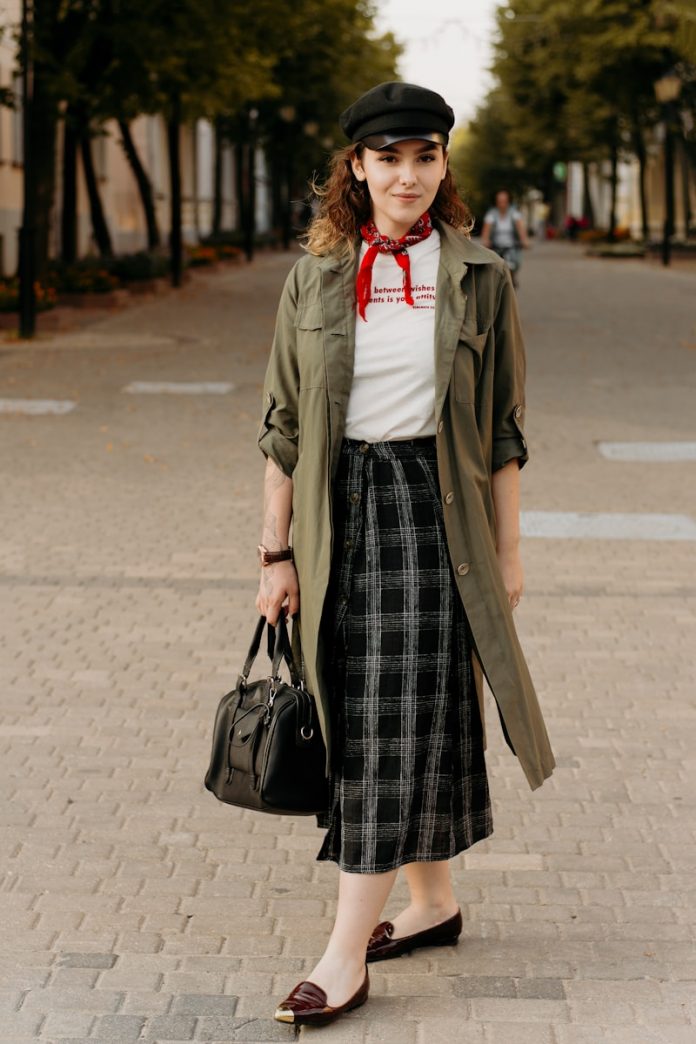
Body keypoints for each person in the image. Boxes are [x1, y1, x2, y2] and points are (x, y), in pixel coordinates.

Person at [255, 81, 555, 1028]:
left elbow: (504, 428)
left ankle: (344, 955)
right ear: (357, 167)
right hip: (338, 519)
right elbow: (284, 426)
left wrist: (509, 553)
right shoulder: (314, 278)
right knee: (382, 707)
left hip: (436, 519)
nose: (408, 176)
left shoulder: (481, 276)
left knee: (387, 723)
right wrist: (275, 553)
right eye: (389, 158)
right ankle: (432, 902)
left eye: (425, 157)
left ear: (443, 166)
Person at [481, 189, 529, 288]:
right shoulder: (491, 214)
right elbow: (486, 230)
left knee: (512, 266)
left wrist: (524, 240)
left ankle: (512, 283)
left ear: (508, 202)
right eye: (499, 201)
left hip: (512, 247)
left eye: (504, 201)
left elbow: (520, 229)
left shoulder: (514, 214)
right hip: (496, 247)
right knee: (493, 269)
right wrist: (485, 240)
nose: (502, 204)